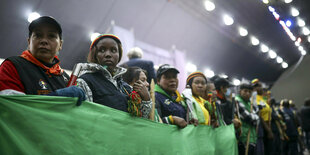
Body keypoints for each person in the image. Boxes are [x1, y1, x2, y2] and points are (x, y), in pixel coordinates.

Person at [0, 16, 84, 104]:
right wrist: (56, 98)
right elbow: (11, 107)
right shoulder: (12, 66)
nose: (44, 41)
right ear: (29, 42)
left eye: (51, 36)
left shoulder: (66, 79)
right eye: (38, 35)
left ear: (60, 45)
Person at [76, 34, 151, 112]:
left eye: (113, 50)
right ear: (94, 54)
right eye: (102, 50)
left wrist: (146, 99)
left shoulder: (125, 87)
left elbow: (138, 120)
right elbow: (84, 116)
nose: (108, 54)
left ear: (119, 55)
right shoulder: (84, 81)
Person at [155, 64, 187, 128]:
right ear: (158, 81)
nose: (172, 80)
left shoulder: (179, 98)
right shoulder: (154, 97)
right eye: (167, 77)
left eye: (174, 77)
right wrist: (171, 120)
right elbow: (153, 122)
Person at [235, 83, 259, 155]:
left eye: (249, 92)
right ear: (240, 91)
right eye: (245, 91)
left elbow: (257, 120)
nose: (247, 93)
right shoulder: (237, 101)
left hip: (252, 137)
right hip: (243, 138)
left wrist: (255, 118)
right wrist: (254, 118)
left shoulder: (250, 103)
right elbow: (248, 118)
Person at [251, 79, 273, 155]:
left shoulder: (262, 99)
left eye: (260, 86)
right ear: (254, 88)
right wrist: (268, 130)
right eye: (258, 86)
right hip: (262, 127)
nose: (261, 88)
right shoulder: (254, 98)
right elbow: (259, 115)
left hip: (267, 126)